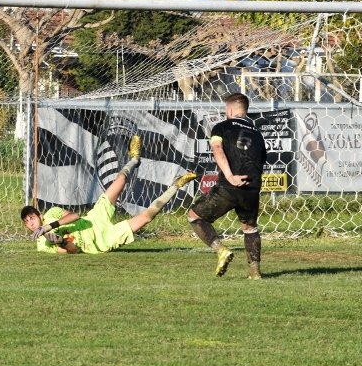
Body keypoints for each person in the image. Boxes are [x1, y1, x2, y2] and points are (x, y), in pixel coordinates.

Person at [21, 135, 196, 254]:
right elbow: (75, 251)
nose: (30, 222)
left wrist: (49, 226)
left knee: (119, 182)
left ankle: (134, 159)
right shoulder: (42, 244)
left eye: (31, 217)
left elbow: (75, 216)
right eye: (27, 222)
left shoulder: (51, 214)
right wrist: (60, 241)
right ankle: (176, 185)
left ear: (39, 214)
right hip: (100, 241)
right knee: (145, 218)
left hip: (93, 219)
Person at [187, 93, 268, 279]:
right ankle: (255, 273)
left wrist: (231, 176)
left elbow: (217, 149)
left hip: (230, 186)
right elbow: (261, 161)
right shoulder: (258, 134)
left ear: (230, 110)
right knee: (250, 228)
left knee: (194, 217)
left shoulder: (221, 127)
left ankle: (221, 250)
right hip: (252, 188)